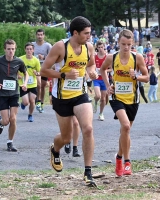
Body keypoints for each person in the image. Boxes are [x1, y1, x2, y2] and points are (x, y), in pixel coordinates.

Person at [40, 16, 98, 186]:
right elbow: (44, 70)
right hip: (62, 98)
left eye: (89, 33)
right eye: (86, 33)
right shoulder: (61, 47)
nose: (89, 36)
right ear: (75, 33)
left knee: (87, 128)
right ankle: (55, 149)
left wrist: (92, 72)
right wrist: (63, 74)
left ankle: (88, 172)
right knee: (66, 138)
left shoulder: (89, 47)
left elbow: (91, 64)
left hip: (80, 95)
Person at [100, 29, 149, 176]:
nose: (126, 47)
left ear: (132, 43)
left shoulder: (137, 58)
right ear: (118, 43)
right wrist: (108, 87)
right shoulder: (111, 57)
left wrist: (137, 77)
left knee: (125, 131)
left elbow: (147, 77)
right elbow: (102, 70)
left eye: (128, 44)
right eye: (123, 44)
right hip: (117, 98)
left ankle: (119, 158)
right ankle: (127, 162)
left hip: (133, 99)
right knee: (126, 126)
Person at [0, 39, 28, 152]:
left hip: (14, 93)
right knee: (6, 121)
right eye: (8, 49)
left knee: (13, 119)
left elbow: (26, 73)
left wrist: (24, 83)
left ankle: (10, 143)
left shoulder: (19, 61)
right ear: (5, 49)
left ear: (15, 49)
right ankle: (0, 123)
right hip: (2, 94)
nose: (10, 51)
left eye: (13, 49)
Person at [18, 42, 41, 122]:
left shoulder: (36, 60)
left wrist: (36, 73)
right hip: (23, 83)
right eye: (27, 49)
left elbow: (39, 72)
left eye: (30, 49)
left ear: (33, 50)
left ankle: (30, 115)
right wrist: (18, 74)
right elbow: (15, 69)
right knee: (26, 102)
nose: (29, 51)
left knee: (32, 100)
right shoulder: (20, 59)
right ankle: (23, 103)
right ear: (25, 50)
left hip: (33, 84)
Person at [32, 29, 52, 113]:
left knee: (42, 86)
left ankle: (41, 102)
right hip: (34, 68)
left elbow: (52, 57)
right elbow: (28, 55)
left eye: (41, 35)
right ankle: (37, 101)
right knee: (37, 85)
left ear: (44, 36)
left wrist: (43, 58)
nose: (40, 36)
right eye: (38, 35)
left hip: (44, 67)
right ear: (36, 35)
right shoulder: (32, 45)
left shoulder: (48, 46)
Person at [93, 41, 109, 121]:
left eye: (101, 47)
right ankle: (95, 102)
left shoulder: (107, 57)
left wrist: (104, 70)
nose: (100, 49)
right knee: (98, 96)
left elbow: (112, 68)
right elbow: (91, 66)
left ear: (104, 47)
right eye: (98, 47)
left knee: (103, 99)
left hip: (104, 79)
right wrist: (94, 71)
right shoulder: (94, 56)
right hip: (96, 79)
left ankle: (101, 113)